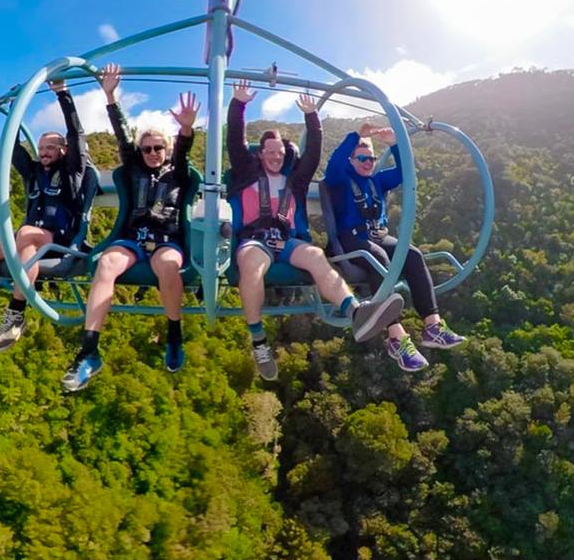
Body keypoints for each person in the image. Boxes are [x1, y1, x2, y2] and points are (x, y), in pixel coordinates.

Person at [227, 80, 405, 381]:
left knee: (316, 258)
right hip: (255, 240)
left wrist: (311, 117)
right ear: (260, 154)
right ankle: (258, 340)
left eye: (280, 152)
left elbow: (312, 155)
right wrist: (239, 104)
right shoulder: (247, 172)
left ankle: (355, 312)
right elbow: (235, 140)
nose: (275, 156)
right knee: (252, 267)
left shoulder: (294, 180)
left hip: (287, 241)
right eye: (269, 151)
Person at [62, 64, 198, 392]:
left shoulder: (177, 171)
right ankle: (89, 350)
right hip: (133, 238)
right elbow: (123, 135)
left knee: (167, 266)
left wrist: (186, 131)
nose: (153, 153)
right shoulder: (135, 166)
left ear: (166, 150)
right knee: (107, 263)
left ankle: (174, 334)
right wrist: (110, 96)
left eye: (158, 148)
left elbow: (183, 152)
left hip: (166, 239)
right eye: (147, 148)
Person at [0, 79, 92, 360]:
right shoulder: (33, 172)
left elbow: (77, 134)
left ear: (62, 151)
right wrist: (15, 110)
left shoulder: (72, 171)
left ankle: (16, 313)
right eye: (41, 147)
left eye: (50, 148)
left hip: (60, 240)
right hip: (28, 240)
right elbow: (12, 146)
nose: (43, 152)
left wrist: (63, 95)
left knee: (28, 235)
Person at [324, 122, 467, 371]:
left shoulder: (376, 181)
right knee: (378, 258)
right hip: (351, 238)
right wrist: (357, 135)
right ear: (351, 159)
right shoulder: (340, 179)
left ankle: (432, 325)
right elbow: (334, 163)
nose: (368, 162)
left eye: (371, 158)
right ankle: (396, 336)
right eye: (362, 158)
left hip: (377, 236)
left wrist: (394, 144)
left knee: (411, 254)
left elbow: (406, 172)